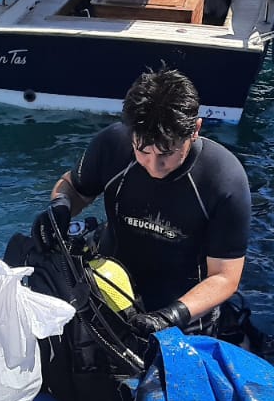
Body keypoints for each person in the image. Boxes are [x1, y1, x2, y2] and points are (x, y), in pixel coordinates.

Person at [34, 68, 250, 337]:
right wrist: (60, 207)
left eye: (167, 153)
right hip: (111, 288)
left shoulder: (223, 178)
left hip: (184, 311)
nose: (154, 166)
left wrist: (171, 316)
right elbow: (73, 187)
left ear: (195, 130)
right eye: (143, 151)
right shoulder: (113, 144)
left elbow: (225, 277)